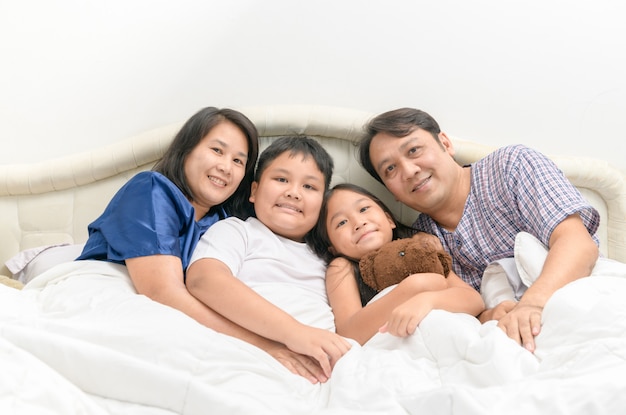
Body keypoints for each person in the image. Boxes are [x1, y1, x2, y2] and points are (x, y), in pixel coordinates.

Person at [76, 107, 328, 383]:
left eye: (238, 161)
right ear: (186, 149)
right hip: (110, 297)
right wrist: (267, 346)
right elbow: (163, 293)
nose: (225, 167)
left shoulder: (222, 222)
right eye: (217, 151)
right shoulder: (151, 190)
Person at [357, 107, 600, 352]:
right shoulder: (421, 244)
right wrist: (491, 314)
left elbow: (578, 244)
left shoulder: (510, 165)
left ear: (445, 143)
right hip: (511, 345)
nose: (409, 171)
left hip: (579, 305)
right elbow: (465, 313)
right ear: (391, 193)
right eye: (390, 169)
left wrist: (532, 305)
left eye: (413, 150)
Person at [186, 135, 352, 383]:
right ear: (254, 191)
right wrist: (294, 333)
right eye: (281, 179)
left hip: (324, 368)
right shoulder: (238, 231)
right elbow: (204, 279)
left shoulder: (330, 257)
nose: (293, 193)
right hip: (249, 353)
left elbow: (351, 322)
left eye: (309, 187)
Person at [308, 183, 484, 345]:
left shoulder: (417, 250)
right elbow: (349, 333)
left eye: (363, 209)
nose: (358, 223)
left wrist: (427, 300)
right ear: (332, 247)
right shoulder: (342, 267)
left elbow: (474, 300)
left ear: (389, 220)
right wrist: (413, 288)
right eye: (341, 223)